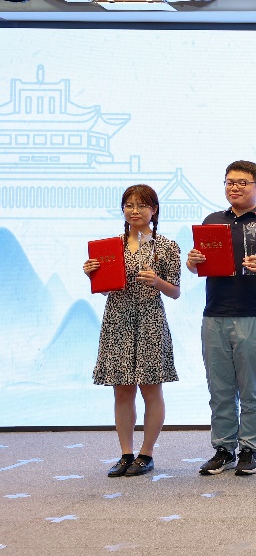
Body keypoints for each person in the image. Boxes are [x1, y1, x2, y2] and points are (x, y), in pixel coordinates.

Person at [187, 160, 256, 477]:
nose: (234, 187)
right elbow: (197, 266)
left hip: (255, 315)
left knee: (252, 389)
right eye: (230, 182)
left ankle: (249, 449)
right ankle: (223, 449)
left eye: (242, 182)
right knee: (219, 389)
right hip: (215, 314)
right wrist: (193, 261)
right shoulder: (212, 221)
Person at [84, 184, 181, 478]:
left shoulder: (167, 247)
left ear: (154, 210)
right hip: (117, 320)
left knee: (151, 388)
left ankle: (146, 454)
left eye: (142, 205)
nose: (135, 211)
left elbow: (175, 292)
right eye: (129, 205)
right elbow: (105, 290)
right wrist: (93, 275)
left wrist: (157, 282)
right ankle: (126, 453)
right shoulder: (110, 247)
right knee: (122, 390)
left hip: (150, 319)